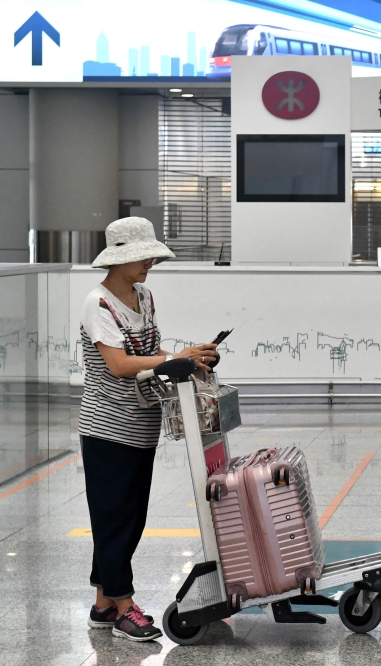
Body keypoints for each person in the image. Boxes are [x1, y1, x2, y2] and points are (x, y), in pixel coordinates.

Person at [79, 217, 218, 642]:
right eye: (143, 256)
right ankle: (124, 607)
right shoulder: (97, 304)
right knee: (113, 517)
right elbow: (119, 364)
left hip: (142, 424)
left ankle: (103, 603)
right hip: (107, 428)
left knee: (130, 516)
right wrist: (169, 360)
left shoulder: (143, 295)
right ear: (119, 259)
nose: (151, 262)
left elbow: (151, 352)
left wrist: (187, 359)